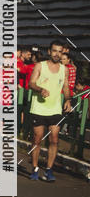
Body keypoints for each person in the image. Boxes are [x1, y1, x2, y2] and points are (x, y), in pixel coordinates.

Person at [28, 40, 71, 181]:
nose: (57, 54)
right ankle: (34, 168)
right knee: (37, 139)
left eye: (60, 51)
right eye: (54, 51)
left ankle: (48, 170)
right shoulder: (40, 66)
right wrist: (40, 89)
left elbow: (65, 87)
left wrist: (68, 100)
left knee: (54, 139)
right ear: (49, 51)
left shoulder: (64, 69)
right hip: (39, 108)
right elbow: (31, 83)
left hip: (55, 109)